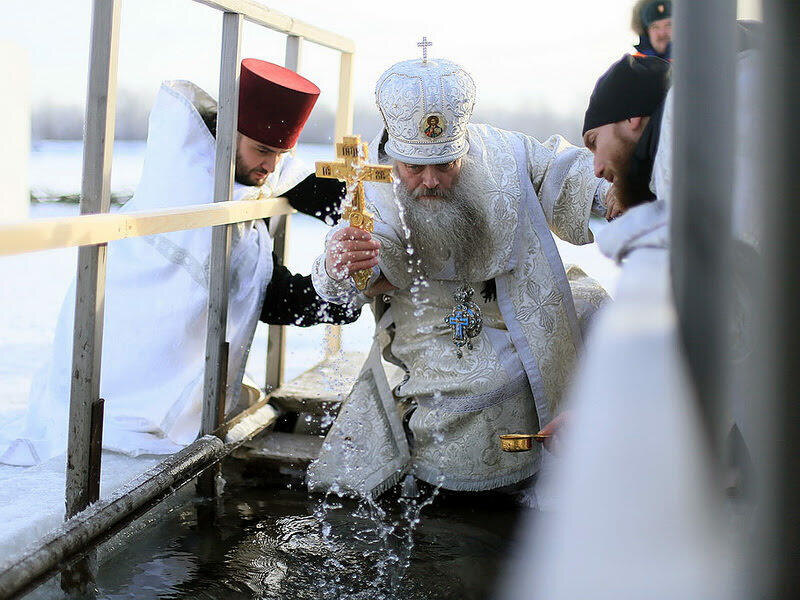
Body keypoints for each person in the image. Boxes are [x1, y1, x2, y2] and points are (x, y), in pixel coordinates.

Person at [1, 59, 357, 466]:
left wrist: (372, 211)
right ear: (228, 133)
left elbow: (294, 183)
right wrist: (344, 290)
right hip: (126, 379)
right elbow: (273, 297)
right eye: (263, 150)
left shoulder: (237, 162)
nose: (271, 167)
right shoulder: (190, 191)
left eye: (281, 153)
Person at [306, 54, 611, 499]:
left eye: (446, 165)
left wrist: (617, 188)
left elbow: (568, 178)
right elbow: (361, 268)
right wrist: (343, 262)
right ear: (393, 155)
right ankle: (472, 495)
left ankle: (598, 460)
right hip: (430, 311)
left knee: (601, 312)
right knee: (488, 382)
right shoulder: (370, 184)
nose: (430, 181)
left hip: (520, 293)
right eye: (414, 168)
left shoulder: (505, 153)